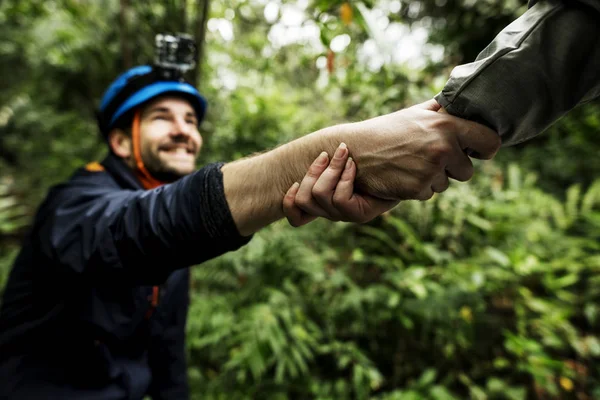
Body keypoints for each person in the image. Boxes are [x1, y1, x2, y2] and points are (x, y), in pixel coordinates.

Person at [0, 55, 499, 398]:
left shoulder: (172, 239)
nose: (184, 130)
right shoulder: (73, 204)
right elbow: (136, 231)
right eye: (160, 117)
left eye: (192, 121)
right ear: (121, 143)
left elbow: (165, 354)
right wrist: (310, 157)